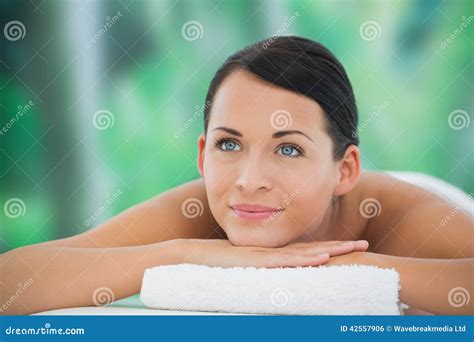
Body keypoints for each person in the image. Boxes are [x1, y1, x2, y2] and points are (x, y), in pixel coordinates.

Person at [1, 36, 472, 316]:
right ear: (204, 156)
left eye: (288, 148)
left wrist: (349, 267)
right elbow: (11, 284)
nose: (250, 178)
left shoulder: (399, 217)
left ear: (344, 169)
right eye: (230, 144)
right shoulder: (198, 211)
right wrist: (183, 252)